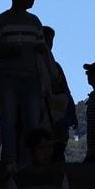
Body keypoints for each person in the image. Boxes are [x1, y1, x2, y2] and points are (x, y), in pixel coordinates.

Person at [0, 0, 47, 171]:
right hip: (9, 80)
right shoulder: (1, 21)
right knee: (9, 121)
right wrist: (8, 51)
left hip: (30, 79)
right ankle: (11, 160)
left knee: (30, 122)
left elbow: (42, 49)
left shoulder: (35, 22)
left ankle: (26, 161)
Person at [5, 128, 70, 189]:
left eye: (50, 147)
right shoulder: (17, 180)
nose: (47, 152)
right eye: (41, 148)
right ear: (31, 150)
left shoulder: (60, 178)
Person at [38, 27, 76, 158]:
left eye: (51, 40)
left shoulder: (55, 66)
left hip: (55, 117)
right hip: (49, 115)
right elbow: (66, 91)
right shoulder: (49, 65)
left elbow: (66, 90)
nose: (49, 43)